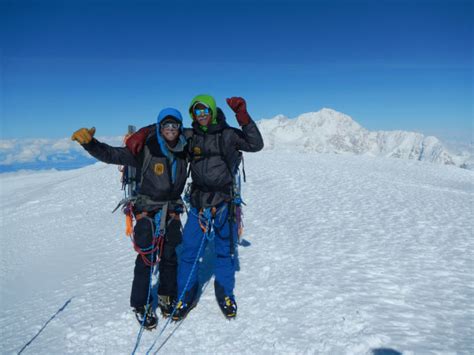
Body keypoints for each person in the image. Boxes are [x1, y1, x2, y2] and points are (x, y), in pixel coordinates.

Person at [126, 95, 264, 320]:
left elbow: (256, 144)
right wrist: (142, 132)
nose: (201, 115)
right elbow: (167, 128)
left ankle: (225, 294)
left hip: (223, 203)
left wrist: (243, 116)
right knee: (189, 252)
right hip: (199, 203)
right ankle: (186, 294)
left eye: (204, 111)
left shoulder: (228, 135)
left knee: (224, 252)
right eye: (197, 112)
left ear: (211, 111)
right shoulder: (190, 136)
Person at [71, 108, 188, 330]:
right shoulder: (145, 149)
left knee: (170, 256)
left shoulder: (184, 148)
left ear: (179, 128)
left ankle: (166, 295)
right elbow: (112, 155)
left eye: (174, 126)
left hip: (171, 210)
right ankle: (140, 304)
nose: (171, 130)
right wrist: (90, 144)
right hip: (147, 210)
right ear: (159, 128)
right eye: (166, 126)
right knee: (145, 258)